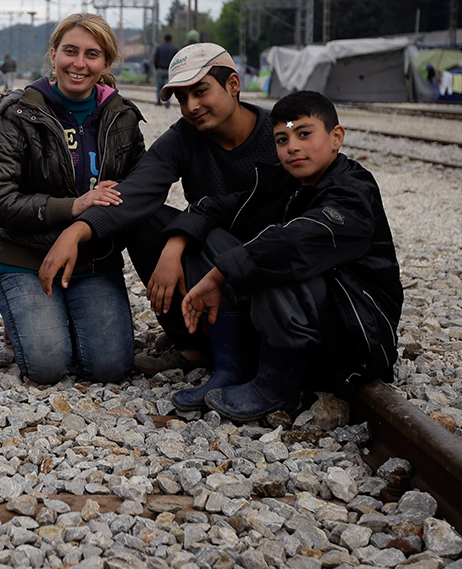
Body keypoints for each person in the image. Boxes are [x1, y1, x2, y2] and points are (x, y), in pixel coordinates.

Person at [38, 42, 279, 377]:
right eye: (182, 98)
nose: (192, 106)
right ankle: (193, 346)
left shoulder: (279, 137)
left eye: (201, 91)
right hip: (215, 251)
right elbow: (138, 190)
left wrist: (178, 240)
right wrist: (77, 230)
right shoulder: (185, 137)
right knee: (143, 220)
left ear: (233, 85)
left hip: (271, 265)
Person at [171, 90, 402, 421]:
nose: (292, 146)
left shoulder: (353, 191)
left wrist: (219, 275)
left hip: (356, 328)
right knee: (208, 238)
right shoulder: (288, 182)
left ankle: (275, 387)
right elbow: (221, 207)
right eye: (282, 139)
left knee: (275, 263)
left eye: (304, 134)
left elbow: (294, 244)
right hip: (314, 314)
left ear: (337, 137)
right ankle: (231, 368)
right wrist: (176, 241)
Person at [0, 13, 146, 384]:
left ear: (106, 63)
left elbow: (139, 192)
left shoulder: (121, 116)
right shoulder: (21, 113)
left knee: (110, 369)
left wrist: (88, 227)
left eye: (92, 54)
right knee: (46, 368)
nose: (79, 63)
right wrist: (73, 206)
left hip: (95, 261)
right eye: (70, 51)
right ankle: (28, 317)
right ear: (54, 54)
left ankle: (61, 315)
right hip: (29, 259)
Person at [153, 34, 178, 107]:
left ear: (164, 39)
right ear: (171, 40)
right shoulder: (174, 48)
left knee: (159, 86)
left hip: (160, 69)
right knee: (168, 87)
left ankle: (159, 101)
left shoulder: (159, 48)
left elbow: (155, 58)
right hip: (169, 70)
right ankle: (167, 103)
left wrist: (156, 67)